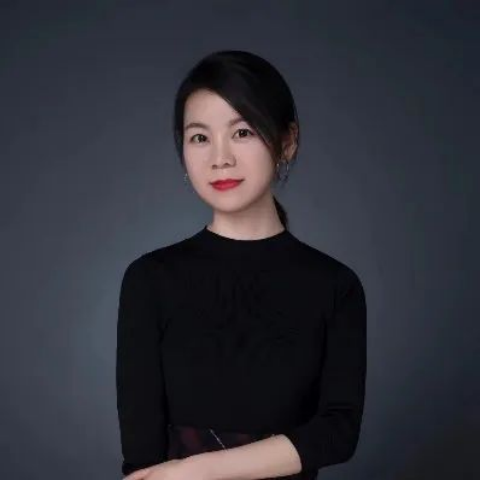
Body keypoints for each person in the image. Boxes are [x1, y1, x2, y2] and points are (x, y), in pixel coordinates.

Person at [116, 50, 367, 480]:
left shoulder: (335, 285)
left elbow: (338, 431)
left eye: (243, 132)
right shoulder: (150, 279)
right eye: (200, 138)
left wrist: (200, 471)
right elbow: (142, 458)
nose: (220, 158)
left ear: (287, 141)